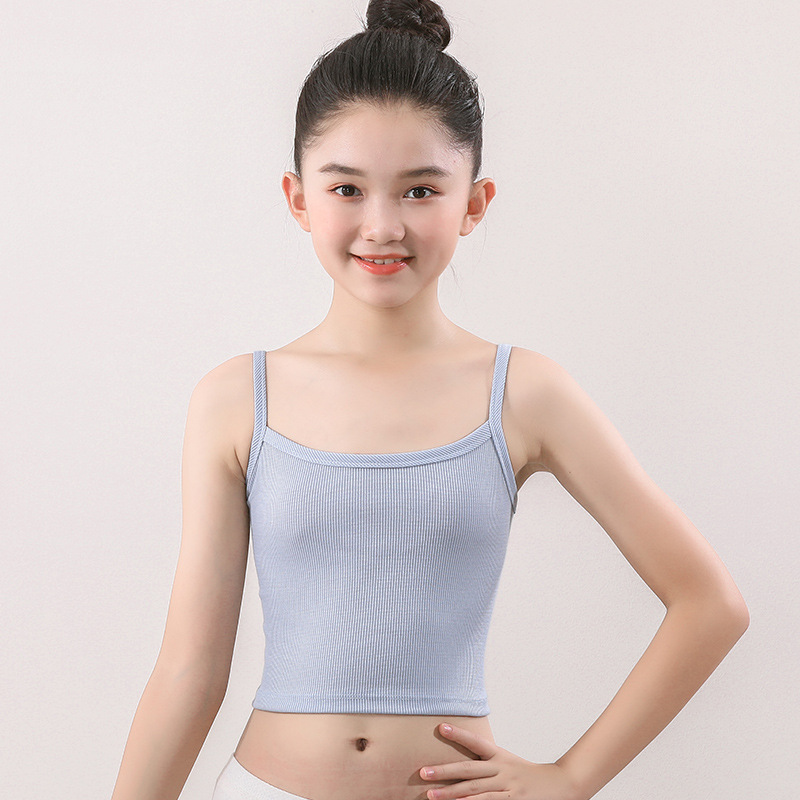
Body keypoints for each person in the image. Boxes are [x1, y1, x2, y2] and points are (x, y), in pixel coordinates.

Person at [109, 1, 750, 799]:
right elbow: (190, 671)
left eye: (419, 190)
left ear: (473, 203)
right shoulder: (237, 399)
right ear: (299, 198)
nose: (382, 226)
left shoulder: (524, 394)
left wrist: (571, 777)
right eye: (347, 188)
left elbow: (709, 604)